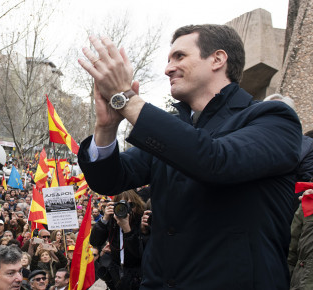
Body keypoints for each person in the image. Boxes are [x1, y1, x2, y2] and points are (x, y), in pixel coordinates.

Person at [77, 24, 301, 289]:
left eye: (179, 56)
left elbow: (215, 161)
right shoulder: (174, 131)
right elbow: (109, 180)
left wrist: (127, 99)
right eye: (168, 59)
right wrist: (105, 127)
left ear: (217, 59)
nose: (168, 68)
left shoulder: (273, 119)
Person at [90, 190, 145, 289]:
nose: (127, 209)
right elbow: (94, 241)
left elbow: (138, 253)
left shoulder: (141, 222)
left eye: (130, 205)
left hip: (137, 275)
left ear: (137, 205)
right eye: (121, 205)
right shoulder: (112, 221)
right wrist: (105, 219)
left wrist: (127, 229)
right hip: (116, 273)